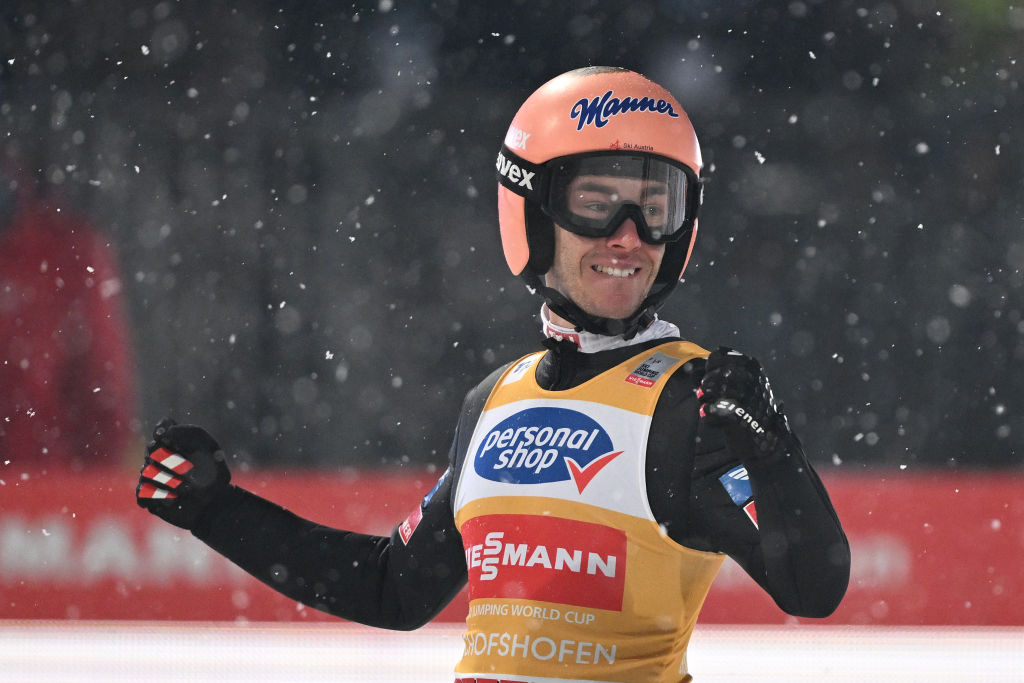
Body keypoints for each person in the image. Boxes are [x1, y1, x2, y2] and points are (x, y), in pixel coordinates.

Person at [137, 66, 850, 682]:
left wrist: (773, 451)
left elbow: (811, 588)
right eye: (597, 203)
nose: (628, 235)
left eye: (655, 207)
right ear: (533, 210)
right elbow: (393, 588)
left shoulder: (690, 400)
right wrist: (215, 510)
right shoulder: (497, 399)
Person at [0, 146, 139, 471]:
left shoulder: (67, 254)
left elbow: (104, 388)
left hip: (48, 486)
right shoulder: (65, 253)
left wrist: (100, 487)